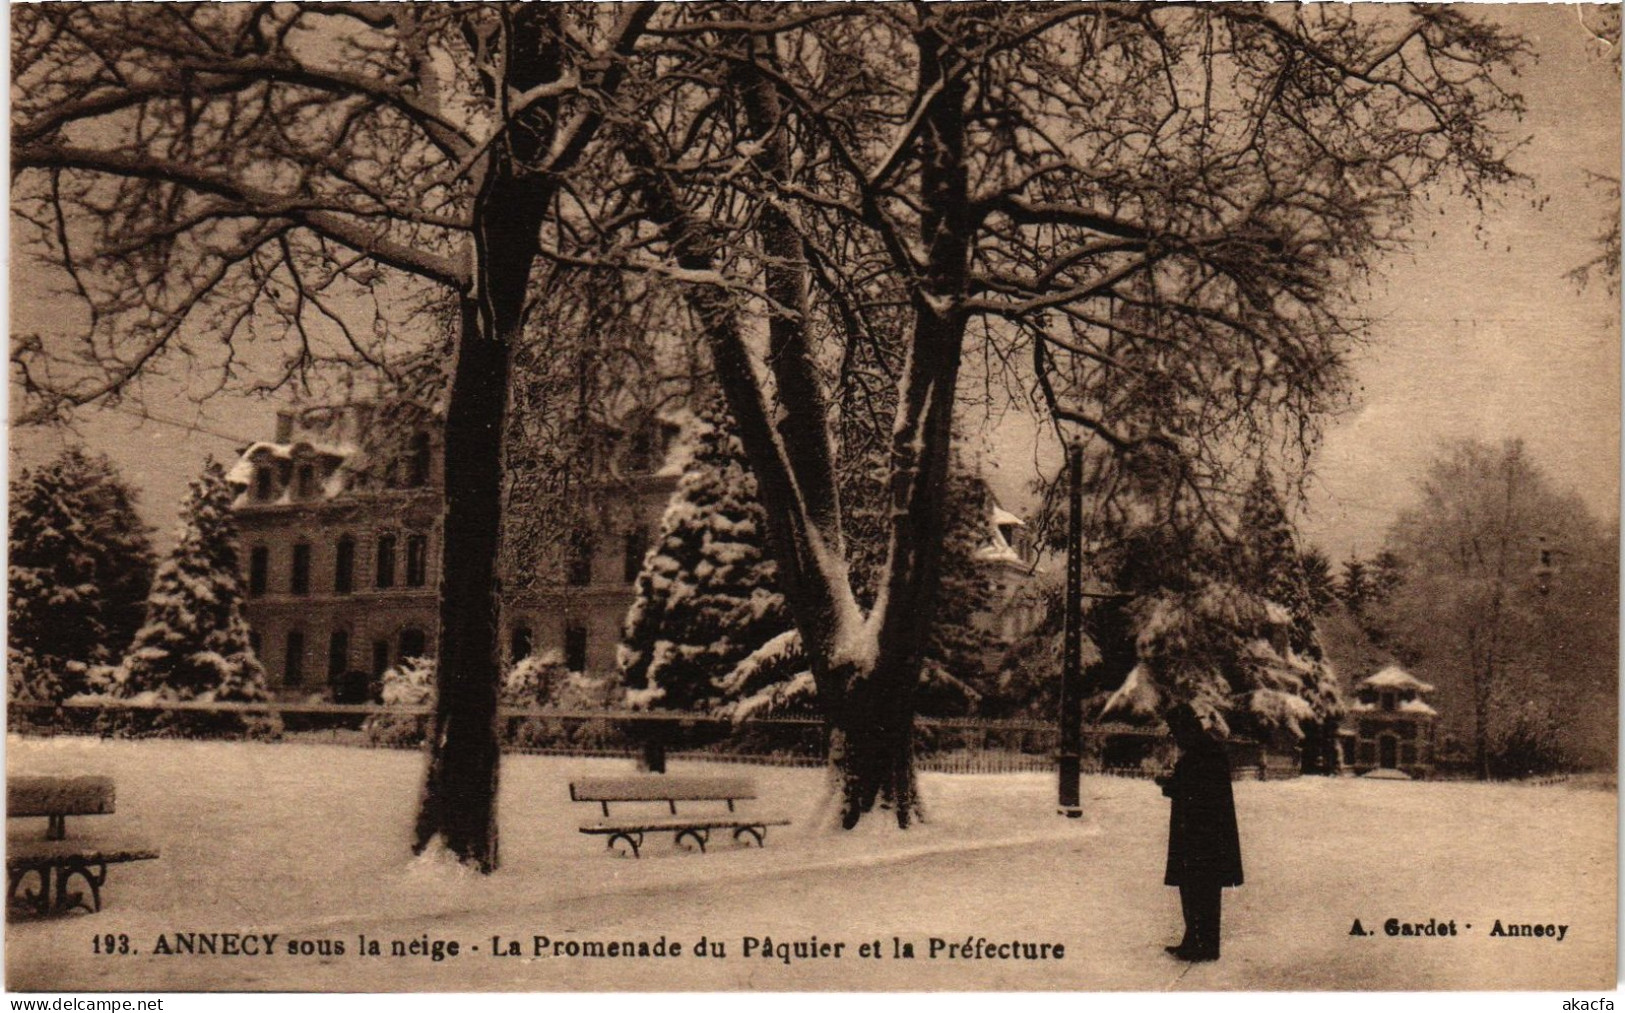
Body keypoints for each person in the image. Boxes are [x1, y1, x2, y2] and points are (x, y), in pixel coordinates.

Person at [1155, 704, 1243, 962]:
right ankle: (1198, 942)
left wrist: (1169, 783)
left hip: (1200, 836)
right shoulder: (1206, 749)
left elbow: (1194, 791)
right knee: (1200, 890)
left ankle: (1201, 945)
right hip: (1206, 835)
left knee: (1198, 889)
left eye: (1175, 732)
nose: (1175, 738)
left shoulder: (1201, 753)